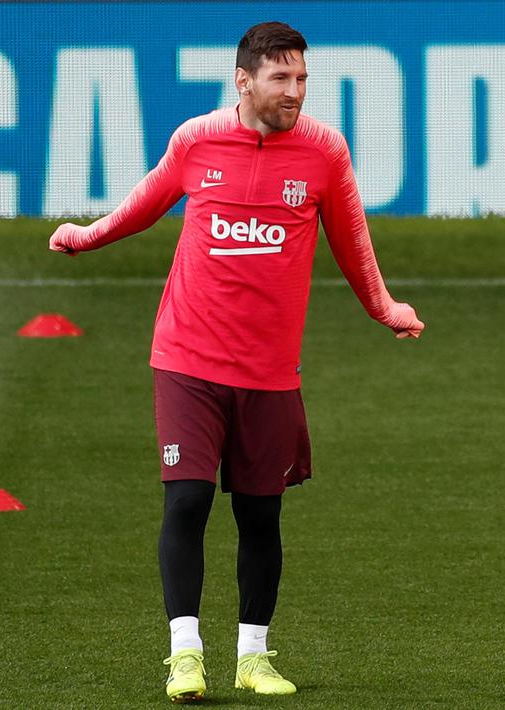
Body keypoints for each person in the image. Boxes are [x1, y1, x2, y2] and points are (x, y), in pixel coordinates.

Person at [48, 21, 423, 704]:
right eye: (281, 78)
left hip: (270, 372)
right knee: (188, 499)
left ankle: (253, 655)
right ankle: (184, 653)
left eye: (302, 78)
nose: (295, 91)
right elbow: (146, 202)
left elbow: (351, 239)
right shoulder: (196, 140)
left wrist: (383, 307)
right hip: (187, 358)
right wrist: (88, 235)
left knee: (260, 515)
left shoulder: (323, 152)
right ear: (243, 81)